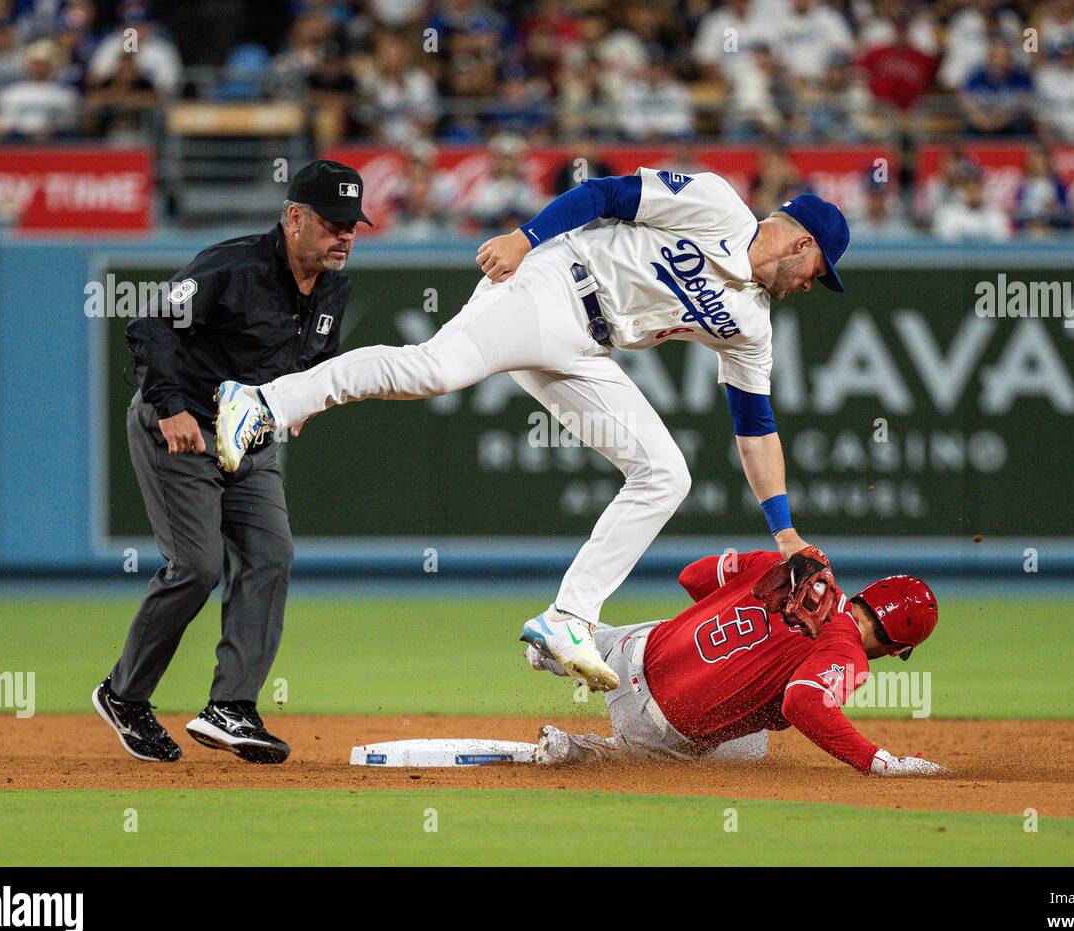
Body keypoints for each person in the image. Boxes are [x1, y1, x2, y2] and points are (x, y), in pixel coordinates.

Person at [214, 167, 849, 695]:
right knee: (438, 367)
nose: (810, 285)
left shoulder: (751, 324)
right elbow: (605, 194)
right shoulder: (715, 205)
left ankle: (568, 618)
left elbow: (755, 426)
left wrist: (785, 531)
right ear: (801, 244)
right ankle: (263, 399)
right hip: (552, 280)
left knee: (665, 474)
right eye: (818, 270)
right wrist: (526, 236)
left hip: (586, 349)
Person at [94, 160, 370, 764]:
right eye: (332, 223)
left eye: (352, 224)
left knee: (271, 554)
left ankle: (232, 707)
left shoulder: (332, 287)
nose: (344, 235)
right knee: (196, 565)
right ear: (294, 218)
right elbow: (151, 325)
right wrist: (168, 407)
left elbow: (310, 361)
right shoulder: (234, 266)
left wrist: (301, 400)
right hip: (184, 429)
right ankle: (125, 695)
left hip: (251, 439)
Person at [529, 547, 944, 777]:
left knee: (658, 637)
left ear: (865, 595)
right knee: (750, 748)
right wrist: (875, 760)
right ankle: (577, 751)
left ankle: (560, 645)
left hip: (634, 649)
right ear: (896, 648)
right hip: (658, 725)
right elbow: (801, 703)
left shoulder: (782, 567)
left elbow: (691, 576)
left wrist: (734, 608)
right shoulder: (848, 653)